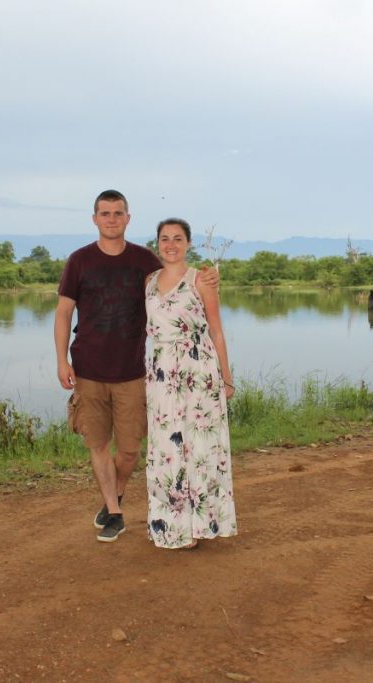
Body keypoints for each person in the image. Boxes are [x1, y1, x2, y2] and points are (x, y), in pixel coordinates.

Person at [55, 191, 218, 543]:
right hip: (87, 369)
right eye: (105, 213)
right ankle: (114, 513)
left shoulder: (145, 261)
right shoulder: (79, 261)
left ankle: (114, 495)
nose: (111, 219)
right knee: (98, 444)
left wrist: (208, 279)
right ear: (94, 218)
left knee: (129, 450)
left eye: (118, 213)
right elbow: (64, 312)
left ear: (128, 218)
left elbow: (177, 284)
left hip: (132, 371)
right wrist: (61, 359)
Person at [144, 218, 237, 549]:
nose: (171, 244)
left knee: (199, 448)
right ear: (157, 243)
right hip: (161, 375)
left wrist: (227, 378)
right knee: (167, 449)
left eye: (178, 238)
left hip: (198, 373)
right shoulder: (149, 281)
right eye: (165, 238)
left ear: (188, 243)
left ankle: (201, 524)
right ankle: (171, 525)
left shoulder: (202, 280)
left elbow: (216, 330)